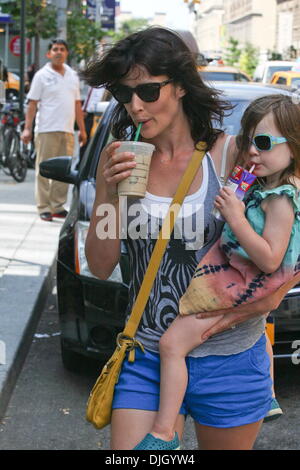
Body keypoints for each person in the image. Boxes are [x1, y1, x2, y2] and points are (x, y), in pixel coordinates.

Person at [83, 27, 296, 450]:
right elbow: (103, 262)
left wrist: (256, 305)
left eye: (147, 90)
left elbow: (287, 239)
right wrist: (107, 191)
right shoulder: (124, 161)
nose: (136, 106)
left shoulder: (232, 156)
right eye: (125, 95)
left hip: (230, 357)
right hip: (146, 353)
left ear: (180, 86)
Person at [140, 94, 300, 449]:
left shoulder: (281, 199)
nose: (252, 152)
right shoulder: (262, 185)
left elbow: (271, 259)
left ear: (294, 146)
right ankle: (269, 394)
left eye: (264, 143)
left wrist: (236, 217)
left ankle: (164, 432)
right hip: (243, 287)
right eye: (247, 141)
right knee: (260, 334)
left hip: (238, 285)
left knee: (171, 344)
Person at [21, 39, 87, 222]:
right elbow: (32, 103)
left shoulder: (73, 76)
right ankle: (44, 207)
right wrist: (27, 129)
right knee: (43, 169)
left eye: (62, 49)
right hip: (46, 129)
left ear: (67, 53)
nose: (59, 52)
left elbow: (77, 105)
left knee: (64, 170)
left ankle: (57, 206)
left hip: (67, 130)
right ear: (48, 54)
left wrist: (82, 130)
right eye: (55, 49)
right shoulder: (42, 75)